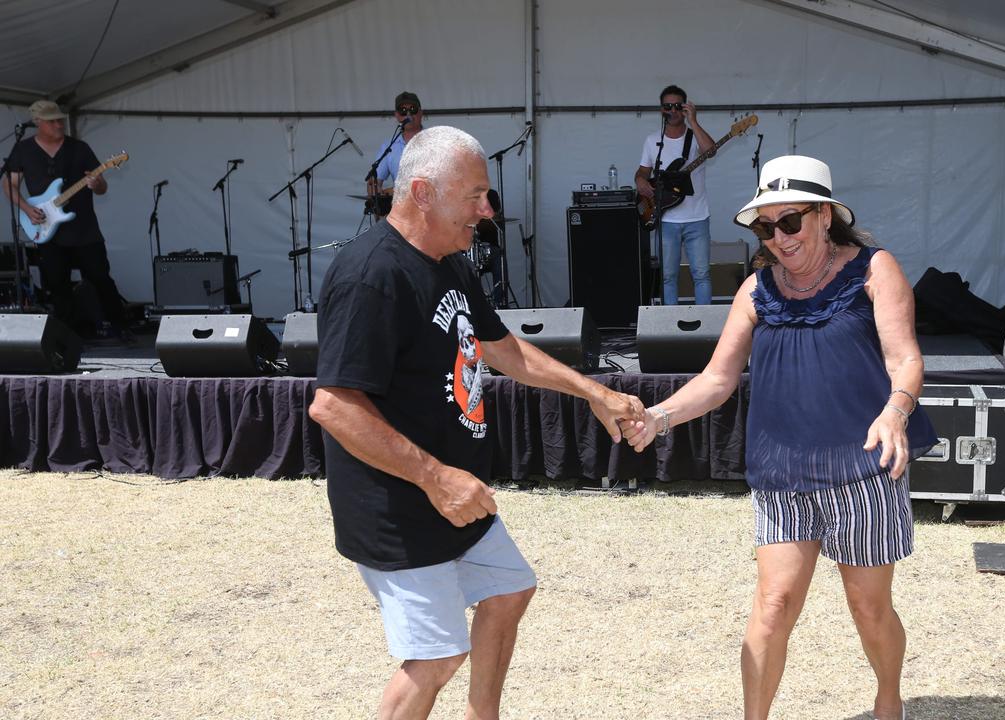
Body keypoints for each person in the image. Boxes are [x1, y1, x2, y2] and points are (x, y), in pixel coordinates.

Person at [309, 125, 644, 719]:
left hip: (457, 497)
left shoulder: (451, 263)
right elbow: (333, 405)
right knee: (435, 660)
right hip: (401, 503)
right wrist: (436, 477)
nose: (488, 211)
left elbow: (502, 348)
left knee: (509, 589)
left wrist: (594, 391)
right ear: (422, 192)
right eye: (475, 195)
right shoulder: (372, 276)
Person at [622, 156, 938, 720]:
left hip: (861, 469)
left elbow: (905, 358)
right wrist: (659, 416)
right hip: (783, 473)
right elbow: (717, 380)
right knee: (772, 604)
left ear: (823, 216)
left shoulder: (874, 270)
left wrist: (896, 411)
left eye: (789, 222)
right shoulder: (754, 290)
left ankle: (889, 699)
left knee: (868, 609)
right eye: (766, 227)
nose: (778, 238)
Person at [3, 100, 129, 339]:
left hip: (84, 229)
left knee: (100, 277)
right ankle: (70, 334)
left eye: (60, 119)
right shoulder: (23, 150)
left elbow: (101, 187)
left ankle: (119, 325)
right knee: (57, 283)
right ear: (38, 123)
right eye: (52, 121)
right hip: (46, 228)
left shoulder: (79, 148)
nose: (59, 124)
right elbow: (9, 185)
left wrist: (97, 183)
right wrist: (27, 209)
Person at [634, 84, 717, 306]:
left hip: (697, 217)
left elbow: (711, 151)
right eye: (667, 106)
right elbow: (643, 171)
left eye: (677, 106)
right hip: (667, 219)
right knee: (668, 277)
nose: (672, 110)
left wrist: (694, 122)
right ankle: (670, 327)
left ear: (685, 107)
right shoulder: (653, 141)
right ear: (661, 109)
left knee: (701, 275)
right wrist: (640, 180)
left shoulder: (694, 136)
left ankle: (704, 328)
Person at [366, 91, 425, 214]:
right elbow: (374, 181)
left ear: (420, 113)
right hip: (401, 217)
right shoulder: (389, 146)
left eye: (412, 109)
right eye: (403, 110)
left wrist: (391, 191)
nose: (408, 114)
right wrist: (377, 196)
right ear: (397, 115)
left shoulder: (435, 142)